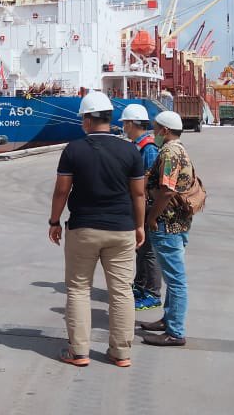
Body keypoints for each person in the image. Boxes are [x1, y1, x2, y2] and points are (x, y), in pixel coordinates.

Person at [48, 91, 146, 368]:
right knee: (122, 291)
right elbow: (138, 195)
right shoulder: (130, 149)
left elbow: (61, 190)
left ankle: (79, 351)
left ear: (88, 120)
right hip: (122, 229)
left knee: (79, 289)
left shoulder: (73, 150)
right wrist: (139, 225)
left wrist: (54, 221)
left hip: (84, 228)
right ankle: (121, 352)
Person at [139, 110, 195, 347]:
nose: (154, 132)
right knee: (174, 277)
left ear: (164, 130)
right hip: (176, 222)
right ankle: (168, 320)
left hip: (167, 223)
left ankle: (175, 332)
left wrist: (152, 217)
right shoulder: (179, 149)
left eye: (155, 128)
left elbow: (168, 190)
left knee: (176, 280)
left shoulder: (170, 152)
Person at [120, 103, 162, 312]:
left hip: (146, 206)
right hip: (139, 204)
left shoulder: (149, 149)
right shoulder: (139, 145)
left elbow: (150, 181)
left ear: (131, 123)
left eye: (125, 123)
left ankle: (153, 293)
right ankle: (141, 285)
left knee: (149, 252)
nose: (123, 128)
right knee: (141, 249)